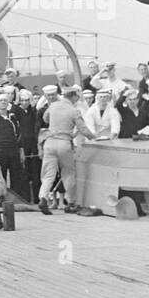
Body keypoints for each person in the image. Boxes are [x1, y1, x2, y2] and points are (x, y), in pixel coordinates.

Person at [38, 85, 94, 214]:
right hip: (64, 144)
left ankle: (43, 198)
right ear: (73, 96)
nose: (77, 100)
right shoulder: (73, 111)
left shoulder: (53, 106)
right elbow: (83, 129)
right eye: (76, 98)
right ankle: (71, 202)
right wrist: (94, 138)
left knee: (48, 174)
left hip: (50, 143)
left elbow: (45, 118)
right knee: (68, 174)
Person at [0, 90, 29, 200]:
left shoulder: (13, 117)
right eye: (1, 100)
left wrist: (21, 150)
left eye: (5, 100)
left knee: (16, 176)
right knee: (1, 176)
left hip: (14, 150)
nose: (3, 102)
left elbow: (19, 134)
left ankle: (16, 199)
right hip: (1, 151)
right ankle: (2, 199)